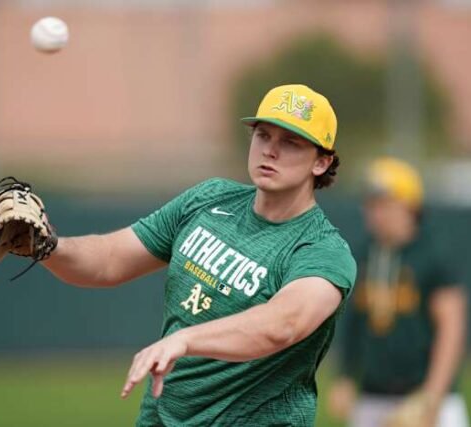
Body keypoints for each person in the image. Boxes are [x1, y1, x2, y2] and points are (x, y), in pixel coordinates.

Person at [42, 84, 356, 426]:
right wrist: (47, 246)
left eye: (291, 142)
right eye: (263, 135)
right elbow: (108, 261)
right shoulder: (209, 199)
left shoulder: (323, 250)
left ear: (321, 162)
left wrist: (185, 340)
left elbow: (283, 324)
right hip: (160, 418)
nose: (270, 150)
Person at [327, 157, 469, 427]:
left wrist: (432, 397)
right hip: (373, 396)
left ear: (410, 206)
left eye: (384, 204)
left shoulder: (433, 255)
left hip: (425, 395)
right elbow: (353, 323)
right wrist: (345, 375)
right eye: (371, 204)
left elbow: (451, 330)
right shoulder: (363, 255)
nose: (374, 213)